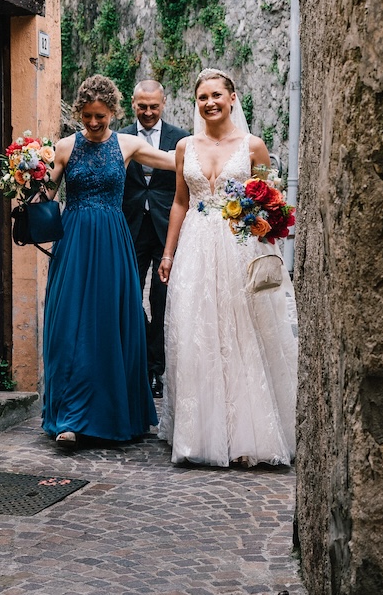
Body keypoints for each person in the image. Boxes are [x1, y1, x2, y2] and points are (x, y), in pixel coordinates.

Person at [157, 68, 298, 466]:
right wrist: (168, 254)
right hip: (196, 247)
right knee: (197, 332)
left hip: (239, 246)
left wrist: (265, 224)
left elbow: (274, 202)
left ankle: (245, 437)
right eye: (203, 97)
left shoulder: (253, 146)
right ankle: (199, 433)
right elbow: (180, 203)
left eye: (217, 95)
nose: (210, 103)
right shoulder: (185, 146)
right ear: (196, 103)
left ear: (232, 98)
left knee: (241, 332)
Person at [41, 75, 176, 446]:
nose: (94, 124)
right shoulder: (66, 147)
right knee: (70, 325)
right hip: (74, 243)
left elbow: (175, 162)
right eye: (87, 117)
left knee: (112, 323)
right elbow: (46, 193)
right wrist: (28, 175)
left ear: (113, 112)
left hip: (114, 242)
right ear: (78, 113)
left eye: (100, 116)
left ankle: (116, 413)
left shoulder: (128, 144)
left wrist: (218, 151)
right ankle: (69, 418)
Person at [119, 80, 189, 399]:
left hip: (166, 231)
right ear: (133, 104)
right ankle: (141, 361)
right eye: (142, 106)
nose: (148, 112)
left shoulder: (181, 138)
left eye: (154, 106)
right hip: (128, 227)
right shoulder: (118, 137)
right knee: (130, 296)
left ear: (164, 103)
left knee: (161, 301)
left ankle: (155, 372)